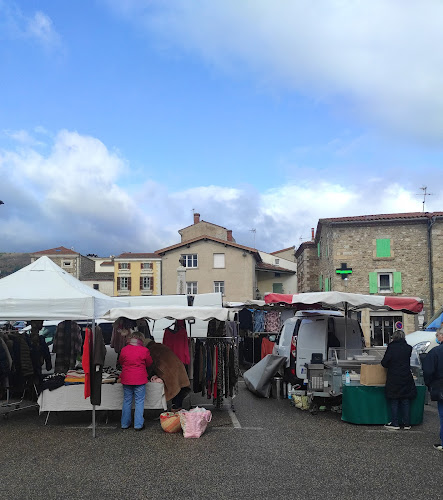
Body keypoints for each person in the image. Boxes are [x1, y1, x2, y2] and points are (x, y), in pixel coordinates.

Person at [381, 329, 417, 430]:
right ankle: (407, 424)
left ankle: (395, 423)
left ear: (394, 337)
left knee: (394, 400)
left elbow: (384, 362)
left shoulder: (391, 347)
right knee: (405, 400)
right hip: (406, 376)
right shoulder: (408, 348)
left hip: (394, 377)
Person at [119, 331, 153, 431]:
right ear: (141, 339)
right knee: (139, 402)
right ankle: (138, 425)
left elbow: (121, 361)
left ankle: (125, 424)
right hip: (140, 379)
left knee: (127, 401)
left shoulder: (124, 350)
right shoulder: (144, 350)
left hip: (127, 379)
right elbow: (149, 363)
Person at [145, 339, 191, 411]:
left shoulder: (151, 350)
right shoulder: (159, 346)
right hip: (178, 366)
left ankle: (175, 411)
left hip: (169, 370)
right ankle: (177, 408)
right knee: (180, 386)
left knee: (175, 387)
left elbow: (151, 364)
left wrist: (149, 375)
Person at [422, 325, 443, 451]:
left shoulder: (435, 352)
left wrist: (429, 385)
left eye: (437, 335)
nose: (436, 337)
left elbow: (428, 371)